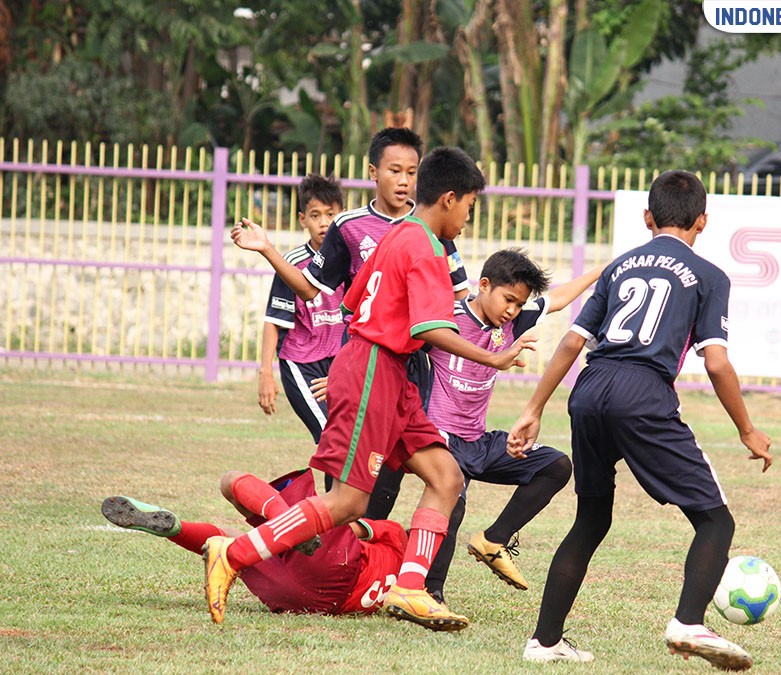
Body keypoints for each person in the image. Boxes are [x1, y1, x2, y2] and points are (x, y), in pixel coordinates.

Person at [205, 147, 537, 632]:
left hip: (392, 373)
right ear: (448, 198)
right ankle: (232, 553)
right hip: (376, 372)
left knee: (446, 478)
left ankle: (410, 587)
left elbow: (353, 299)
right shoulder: (426, 247)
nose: (468, 218)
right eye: (469, 205)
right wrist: (493, 356)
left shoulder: (396, 235)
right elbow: (428, 328)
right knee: (349, 501)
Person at [506, 170, 772, 670]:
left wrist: (532, 408)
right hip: (642, 393)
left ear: (648, 218)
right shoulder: (710, 276)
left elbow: (570, 342)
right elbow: (716, 361)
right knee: (716, 520)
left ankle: (544, 644)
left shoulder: (619, 267)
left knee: (591, 519)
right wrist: (747, 429)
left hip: (589, 389)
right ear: (703, 222)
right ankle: (689, 622)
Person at [234, 127, 469, 508]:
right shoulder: (348, 226)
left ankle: (360, 554)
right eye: (395, 170)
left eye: (412, 172)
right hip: (368, 361)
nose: (404, 181)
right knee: (350, 473)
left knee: (396, 472)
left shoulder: (436, 225)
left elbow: (459, 299)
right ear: (374, 172)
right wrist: (267, 249)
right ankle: (329, 547)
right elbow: (312, 289)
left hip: (410, 367)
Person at [414, 249, 603, 604]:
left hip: (477, 441)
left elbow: (559, 299)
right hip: (439, 438)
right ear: (484, 285)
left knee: (556, 465)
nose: (513, 311)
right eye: (508, 300)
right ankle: (429, 592)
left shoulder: (512, 323)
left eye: (520, 305)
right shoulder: (446, 317)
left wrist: (602, 270)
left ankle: (494, 539)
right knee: (451, 505)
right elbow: (394, 344)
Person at [101, 469, 407, 615]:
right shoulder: (404, 594)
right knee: (236, 546)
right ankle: (177, 529)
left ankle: (286, 522)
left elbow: (352, 526)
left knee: (231, 483)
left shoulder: (398, 537)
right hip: (306, 602)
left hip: (338, 564)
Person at [259, 174, 345, 443]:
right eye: (315, 215)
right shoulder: (293, 263)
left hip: (340, 363)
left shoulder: (349, 259)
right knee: (333, 437)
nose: (323, 222)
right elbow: (274, 319)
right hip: (302, 362)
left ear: (341, 215)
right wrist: (265, 373)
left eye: (330, 214)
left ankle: (340, 488)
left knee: (347, 439)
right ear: (302, 219)